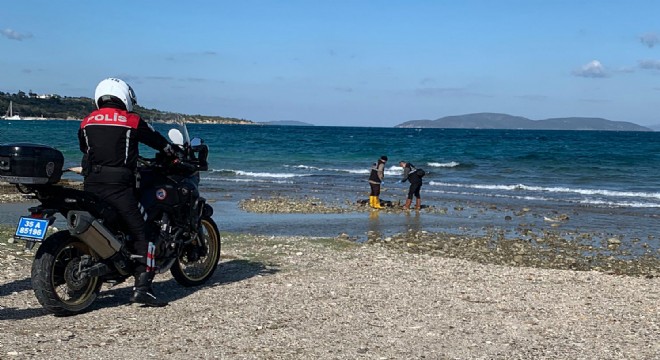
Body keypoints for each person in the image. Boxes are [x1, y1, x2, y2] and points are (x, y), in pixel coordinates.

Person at [78, 78, 178, 307]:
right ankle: (143, 288)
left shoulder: (87, 121)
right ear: (125, 96)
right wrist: (173, 154)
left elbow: (86, 148)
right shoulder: (131, 120)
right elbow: (160, 143)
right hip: (120, 187)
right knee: (146, 233)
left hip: (91, 184)